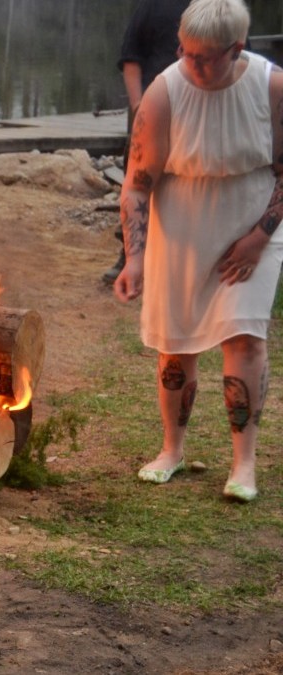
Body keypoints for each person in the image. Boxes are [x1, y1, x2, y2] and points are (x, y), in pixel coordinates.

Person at [114, 0, 283, 503]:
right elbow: (137, 185)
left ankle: (243, 464)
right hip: (181, 228)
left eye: (205, 57)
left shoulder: (272, 87)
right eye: (185, 53)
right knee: (177, 344)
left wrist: (258, 238)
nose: (192, 65)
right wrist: (135, 257)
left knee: (245, 338)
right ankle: (172, 450)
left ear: (236, 49)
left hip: (251, 227)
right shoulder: (164, 92)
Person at [103, 0, 191, 285]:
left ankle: (179, 262)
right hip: (152, 111)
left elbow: (241, 60)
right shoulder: (153, 5)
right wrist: (138, 105)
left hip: (197, 115)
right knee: (138, 182)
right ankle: (129, 254)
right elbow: (131, 57)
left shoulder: (218, 6)